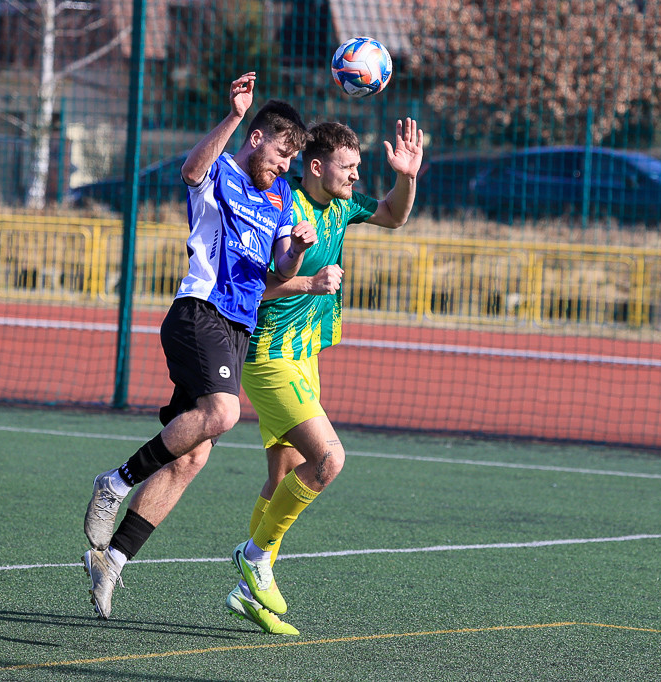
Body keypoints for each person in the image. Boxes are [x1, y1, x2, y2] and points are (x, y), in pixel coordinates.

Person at [82, 73, 316, 620]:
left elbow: (280, 265)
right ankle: (114, 483)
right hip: (198, 312)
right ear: (257, 139)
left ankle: (113, 559)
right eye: (282, 153)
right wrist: (234, 115)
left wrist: (299, 252)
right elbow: (191, 170)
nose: (286, 166)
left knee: (193, 456)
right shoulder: (222, 174)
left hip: (237, 329)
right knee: (224, 412)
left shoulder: (282, 197)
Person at [225, 118, 424, 635]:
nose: (357, 178)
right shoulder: (278, 205)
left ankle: (250, 593)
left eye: (360, 169)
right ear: (316, 167)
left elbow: (393, 216)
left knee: (281, 476)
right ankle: (256, 558)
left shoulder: (341, 205)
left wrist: (406, 176)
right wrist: (309, 281)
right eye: (348, 168)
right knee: (329, 459)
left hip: (305, 355)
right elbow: (252, 288)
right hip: (269, 355)